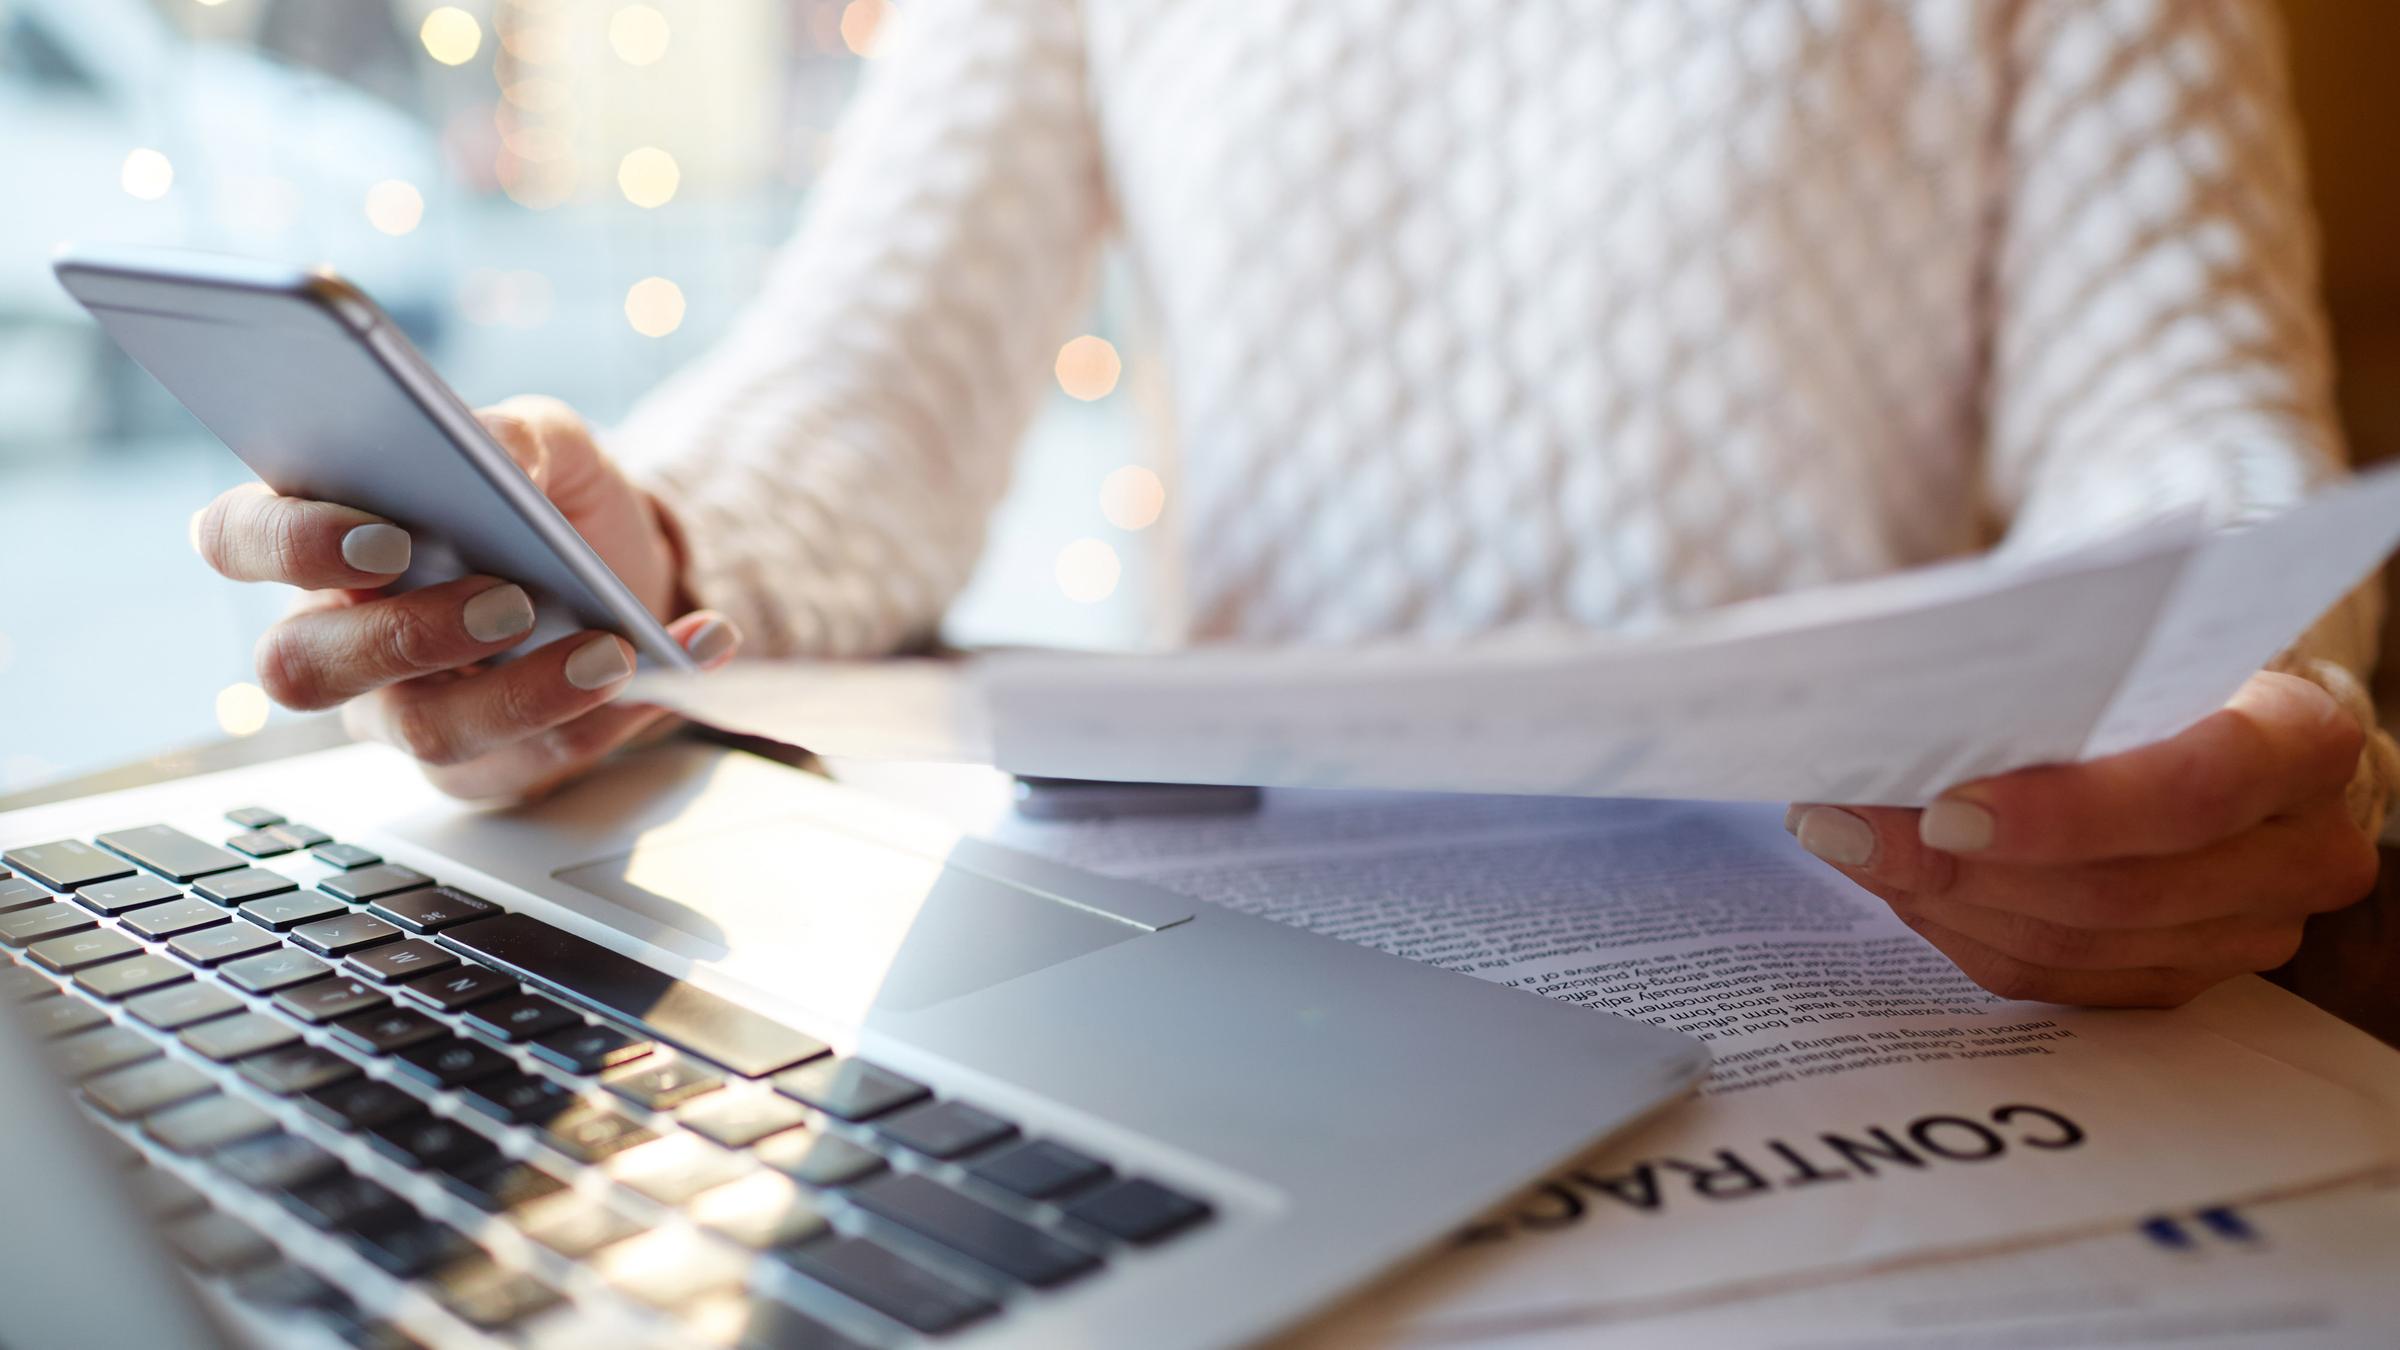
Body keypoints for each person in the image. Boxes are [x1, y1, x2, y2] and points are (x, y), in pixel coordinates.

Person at [185, 0, 2396, 1007]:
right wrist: (633, 561)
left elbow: (2185, 409)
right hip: (1274, 965)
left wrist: (2221, 707)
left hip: (1884, 950)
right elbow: (869, 386)